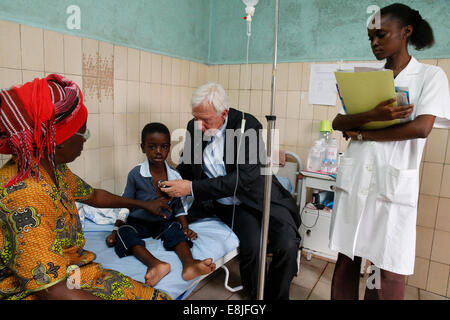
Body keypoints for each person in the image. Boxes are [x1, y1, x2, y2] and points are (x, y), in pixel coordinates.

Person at [0, 74, 171, 300]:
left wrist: (143, 204)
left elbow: (94, 196)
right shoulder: (25, 194)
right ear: (58, 139)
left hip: (73, 272)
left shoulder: (53, 168)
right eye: (83, 133)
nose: (85, 140)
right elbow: (53, 290)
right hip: (37, 291)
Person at [329, 3, 450, 300]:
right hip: (356, 180)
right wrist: (373, 114)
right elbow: (338, 122)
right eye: (370, 38)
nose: (375, 43)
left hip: (393, 185)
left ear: (406, 31)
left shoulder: (430, 77)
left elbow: (421, 128)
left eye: (381, 35)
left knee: (387, 268)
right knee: (347, 259)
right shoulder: (365, 79)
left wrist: (364, 131)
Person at [160, 82, 301, 300]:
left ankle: (277, 295)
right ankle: (256, 297)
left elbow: (244, 179)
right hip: (230, 204)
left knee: (287, 244)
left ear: (224, 113)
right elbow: (190, 166)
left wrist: (191, 187)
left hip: (259, 196)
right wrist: (169, 178)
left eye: (205, 120)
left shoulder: (248, 126)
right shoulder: (194, 128)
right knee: (252, 247)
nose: (199, 126)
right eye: (195, 117)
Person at [105, 122, 216, 286]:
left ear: (169, 148)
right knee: (125, 232)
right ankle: (155, 264)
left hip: (164, 222)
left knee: (175, 230)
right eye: (152, 147)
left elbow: (180, 206)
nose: (158, 151)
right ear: (143, 147)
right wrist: (115, 230)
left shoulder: (174, 175)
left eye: (163, 147)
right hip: (139, 222)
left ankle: (189, 264)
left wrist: (185, 227)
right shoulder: (136, 174)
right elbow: (126, 204)